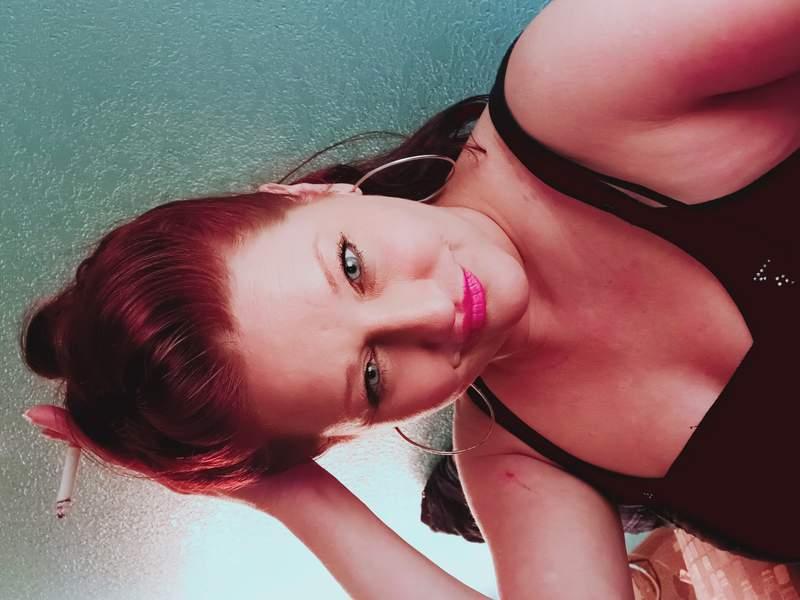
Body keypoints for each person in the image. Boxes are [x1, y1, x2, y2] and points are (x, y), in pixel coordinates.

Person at [20, 2, 800, 597]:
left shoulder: (580, 84)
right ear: (349, 433)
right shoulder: (516, 461)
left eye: (351, 266)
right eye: (371, 378)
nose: (433, 314)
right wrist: (298, 499)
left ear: (306, 195)